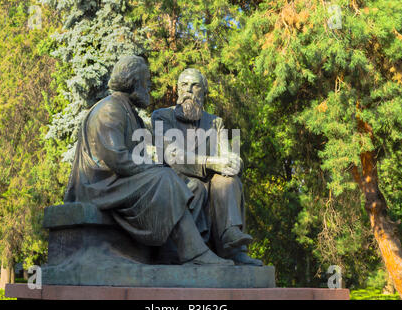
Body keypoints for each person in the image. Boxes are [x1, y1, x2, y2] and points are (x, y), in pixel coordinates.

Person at [64, 56, 233, 265]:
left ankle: (174, 253)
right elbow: (116, 158)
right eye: (146, 81)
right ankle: (196, 255)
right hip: (102, 186)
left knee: (194, 186)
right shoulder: (110, 109)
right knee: (165, 177)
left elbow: (138, 155)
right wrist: (153, 168)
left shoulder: (129, 112)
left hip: (119, 182)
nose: (149, 87)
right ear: (133, 81)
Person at [151, 68, 263, 266]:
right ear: (177, 89)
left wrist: (235, 161)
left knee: (227, 179)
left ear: (203, 91)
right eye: (184, 85)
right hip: (175, 181)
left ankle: (232, 242)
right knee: (199, 184)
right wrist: (213, 162)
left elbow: (227, 154)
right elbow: (172, 154)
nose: (189, 91)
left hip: (210, 186)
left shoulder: (214, 122)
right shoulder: (162, 117)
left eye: (195, 86)